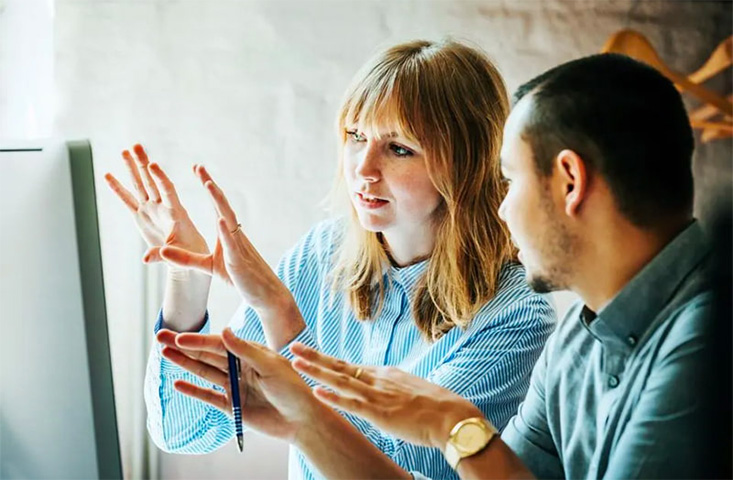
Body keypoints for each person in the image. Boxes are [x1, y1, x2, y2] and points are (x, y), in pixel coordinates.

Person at [105, 39, 556, 479]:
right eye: (356, 136)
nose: (362, 168)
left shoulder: (516, 312)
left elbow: (389, 467)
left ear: (466, 163)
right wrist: (186, 279)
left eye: (399, 148)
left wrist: (279, 313)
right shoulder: (322, 254)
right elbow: (185, 431)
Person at [285, 53, 718, 478]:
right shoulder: (577, 339)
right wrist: (302, 421)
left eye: (511, 180)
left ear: (571, 181)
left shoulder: (708, 345)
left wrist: (452, 427)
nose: (503, 208)